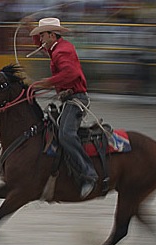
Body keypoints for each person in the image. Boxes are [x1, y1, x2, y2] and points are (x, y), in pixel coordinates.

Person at [27, 17, 98, 199]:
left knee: (66, 134)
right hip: (70, 98)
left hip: (76, 99)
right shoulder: (57, 48)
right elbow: (44, 47)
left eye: (42, 35)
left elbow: (71, 73)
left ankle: (88, 175)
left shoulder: (62, 51)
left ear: (51, 35)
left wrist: (48, 82)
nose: (40, 39)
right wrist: (32, 29)